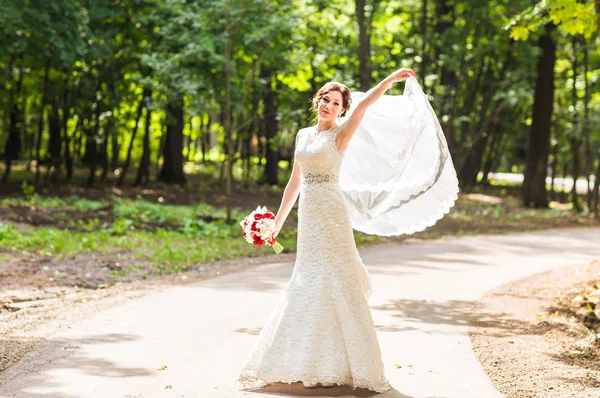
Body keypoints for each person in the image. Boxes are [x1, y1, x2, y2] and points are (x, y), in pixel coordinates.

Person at [236, 68, 420, 393]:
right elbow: (294, 182)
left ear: (341, 110)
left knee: (335, 278)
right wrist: (276, 223)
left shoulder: (341, 135)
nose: (329, 105)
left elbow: (363, 107)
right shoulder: (303, 136)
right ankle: (301, 360)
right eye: (325, 99)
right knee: (306, 280)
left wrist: (390, 81)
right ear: (317, 100)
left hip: (332, 213)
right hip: (309, 214)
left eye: (336, 103)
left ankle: (350, 364)